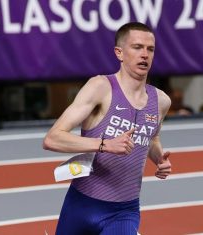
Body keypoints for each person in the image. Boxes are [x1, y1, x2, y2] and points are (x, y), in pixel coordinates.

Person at [43, 22, 172, 235]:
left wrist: (159, 158)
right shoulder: (100, 88)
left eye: (150, 49)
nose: (145, 55)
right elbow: (52, 139)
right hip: (81, 205)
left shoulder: (161, 101)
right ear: (119, 53)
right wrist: (104, 145)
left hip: (124, 211)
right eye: (137, 47)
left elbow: (152, 136)